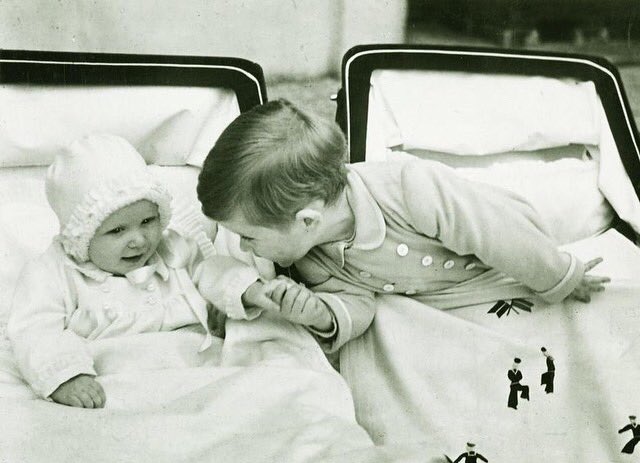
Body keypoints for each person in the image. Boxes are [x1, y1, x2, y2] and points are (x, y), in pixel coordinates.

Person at [196, 99, 610, 352]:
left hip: (515, 232)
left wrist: (558, 275)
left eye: (250, 238)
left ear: (306, 220)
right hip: (462, 286)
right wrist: (321, 314)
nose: (247, 249)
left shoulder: (411, 188)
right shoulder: (313, 259)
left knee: (579, 208)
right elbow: (357, 302)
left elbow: (499, 232)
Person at [7, 134, 279, 409]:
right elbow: (35, 329)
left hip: (195, 367)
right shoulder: (54, 272)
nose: (139, 240)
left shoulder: (172, 247)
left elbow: (210, 271)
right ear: (82, 234)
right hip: (114, 381)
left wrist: (247, 290)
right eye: (117, 231)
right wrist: (65, 375)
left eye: (148, 221)